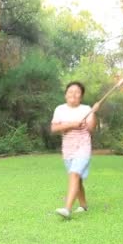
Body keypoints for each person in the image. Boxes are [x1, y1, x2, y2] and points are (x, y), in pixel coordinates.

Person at [50, 81, 101, 219]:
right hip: (68, 149)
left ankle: (67, 208)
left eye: (77, 92)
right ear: (66, 94)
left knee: (74, 174)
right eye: (70, 91)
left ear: (81, 96)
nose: (73, 94)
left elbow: (91, 129)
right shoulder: (60, 109)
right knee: (77, 180)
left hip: (83, 147)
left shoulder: (86, 109)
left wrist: (94, 113)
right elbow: (54, 128)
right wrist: (72, 124)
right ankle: (83, 205)